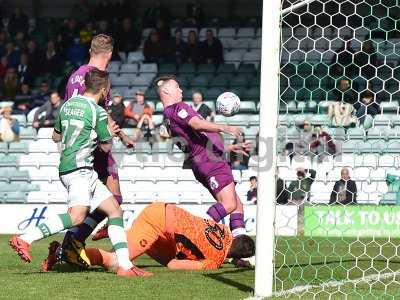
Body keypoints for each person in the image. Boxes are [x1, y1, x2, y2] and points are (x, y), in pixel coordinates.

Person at [9, 68, 149, 277]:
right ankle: (25, 238)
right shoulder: (98, 111)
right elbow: (106, 148)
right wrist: (108, 134)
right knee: (76, 216)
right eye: (107, 90)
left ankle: (125, 266)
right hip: (79, 170)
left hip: (74, 168)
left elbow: (56, 137)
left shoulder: (68, 105)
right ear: (102, 90)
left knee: (114, 210)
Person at [61, 34, 134, 266]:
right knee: (114, 200)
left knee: (111, 200)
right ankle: (73, 240)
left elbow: (76, 111)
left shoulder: (76, 76)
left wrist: (121, 133)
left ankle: (74, 241)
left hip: (79, 146)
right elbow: (95, 115)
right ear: (110, 54)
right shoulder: (98, 78)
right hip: (94, 148)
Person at [155, 75, 251, 238]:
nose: (181, 90)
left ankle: (240, 250)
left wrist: (231, 147)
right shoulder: (178, 108)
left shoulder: (169, 119)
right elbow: (198, 125)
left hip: (207, 162)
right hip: (211, 163)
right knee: (229, 204)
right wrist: (224, 127)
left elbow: (196, 144)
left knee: (237, 206)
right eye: (177, 86)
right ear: (166, 90)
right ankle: (190, 235)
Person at [43, 202, 255, 272]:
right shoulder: (214, 261)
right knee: (117, 263)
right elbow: (173, 265)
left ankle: (119, 234)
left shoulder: (224, 231)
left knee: (173, 251)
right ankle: (62, 253)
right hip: (156, 224)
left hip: (166, 211)